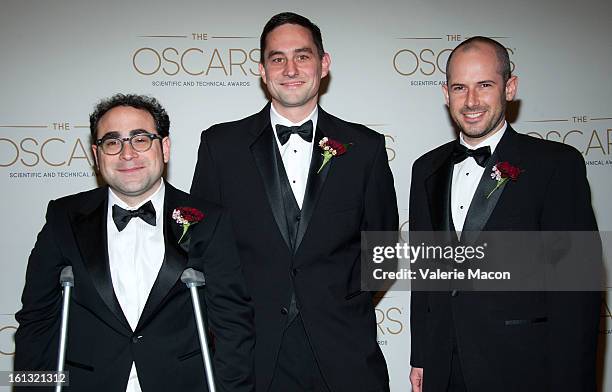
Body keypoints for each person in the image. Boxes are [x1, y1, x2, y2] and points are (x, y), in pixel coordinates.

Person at [191, 12, 398, 392]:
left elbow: (383, 250)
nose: (290, 69)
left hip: (345, 352)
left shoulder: (365, 148)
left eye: (302, 56)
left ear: (324, 64)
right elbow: (201, 249)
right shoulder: (221, 147)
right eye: (277, 58)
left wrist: (340, 301)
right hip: (251, 354)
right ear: (262, 70)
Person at [14, 94, 255, 392]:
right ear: (96, 154)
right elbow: (36, 321)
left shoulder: (209, 220)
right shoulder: (64, 217)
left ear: (164, 148)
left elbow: (233, 324)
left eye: (141, 139)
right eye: (112, 142)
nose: (127, 153)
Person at [408, 36, 600, 391]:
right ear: (445, 93)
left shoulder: (555, 165)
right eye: (459, 87)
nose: (471, 101)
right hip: (443, 366)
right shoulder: (425, 168)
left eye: (485, 85)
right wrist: (420, 356)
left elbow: (578, 290)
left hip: (524, 367)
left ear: (510, 87)